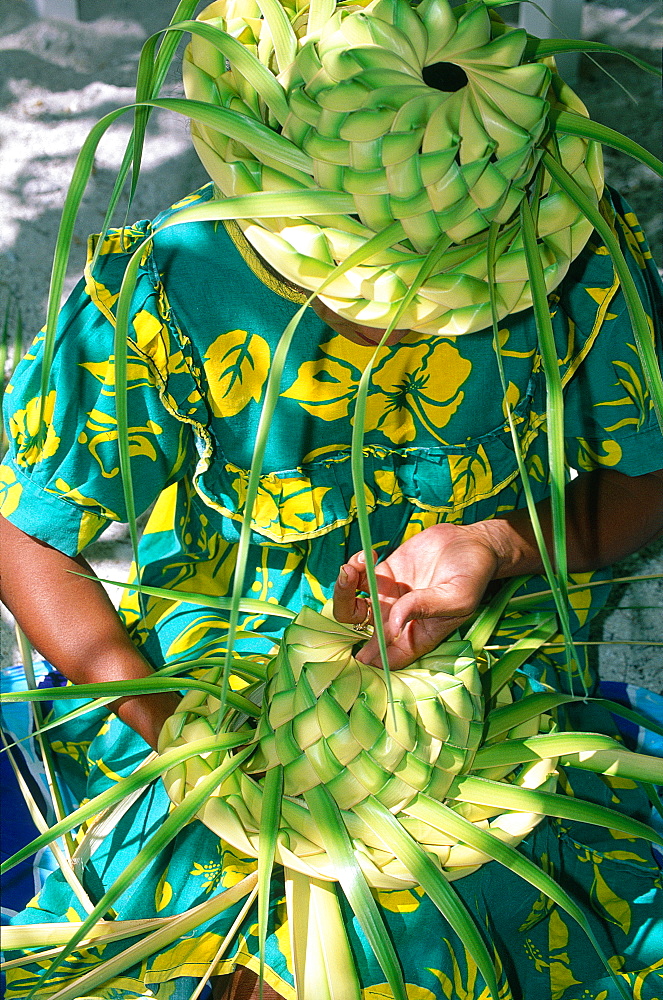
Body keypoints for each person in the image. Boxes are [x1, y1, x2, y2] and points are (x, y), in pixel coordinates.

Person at [1, 1, 663, 997]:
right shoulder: (171, 281)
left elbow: (649, 476)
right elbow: (27, 534)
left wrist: (500, 542)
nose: (398, 328)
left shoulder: (567, 259)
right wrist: (169, 723)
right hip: (221, 689)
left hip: (488, 676)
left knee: (458, 941)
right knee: (211, 951)